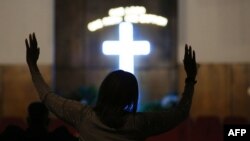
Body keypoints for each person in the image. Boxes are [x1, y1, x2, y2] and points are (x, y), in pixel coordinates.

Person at [25, 33, 197, 141]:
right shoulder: (140, 124)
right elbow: (180, 113)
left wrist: (32, 65)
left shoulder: (83, 116)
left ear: (104, 90)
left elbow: (47, 96)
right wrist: (190, 79)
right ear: (131, 96)